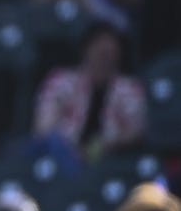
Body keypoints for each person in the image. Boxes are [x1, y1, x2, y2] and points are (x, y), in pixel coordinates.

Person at [30, 20, 147, 173]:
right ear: (86, 49)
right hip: (63, 152)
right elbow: (44, 126)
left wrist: (98, 147)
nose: (104, 58)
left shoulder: (130, 89)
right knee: (39, 146)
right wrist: (71, 149)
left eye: (110, 53)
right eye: (100, 51)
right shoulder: (61, 80)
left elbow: (136, 131)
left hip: (109, 157)